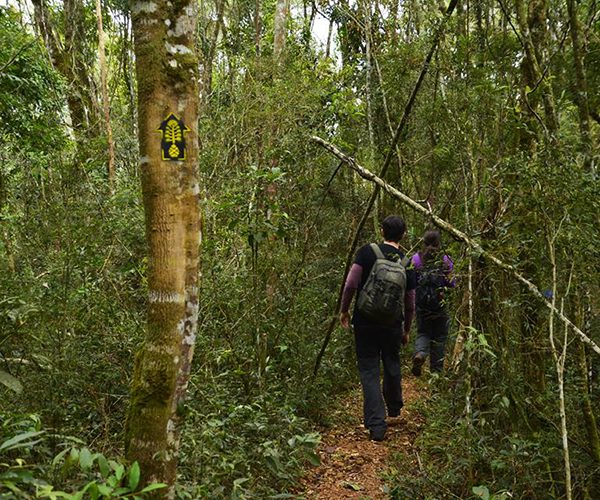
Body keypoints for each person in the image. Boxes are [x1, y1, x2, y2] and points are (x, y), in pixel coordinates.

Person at [339, 215, 416, 442]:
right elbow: (410, 302)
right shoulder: (407, 262)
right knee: (392, 361)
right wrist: (407, 329)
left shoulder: (367, 252)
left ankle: (376, 425)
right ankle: (394, 407)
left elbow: (351, 284)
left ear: (382, 231)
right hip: (392, 324)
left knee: (369, 371)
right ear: (403, 235)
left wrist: (344, 310)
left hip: (365, 321)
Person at [411, 230, 455, 376]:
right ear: (439, 244)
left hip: (422, 307)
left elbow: (411, 283)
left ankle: (420, 354)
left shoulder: (416, 259)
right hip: (440, 306)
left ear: (423, 243)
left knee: (423, 333)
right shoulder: (445, 260)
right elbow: (452, 283)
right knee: (439, 338)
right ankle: (436, 374)